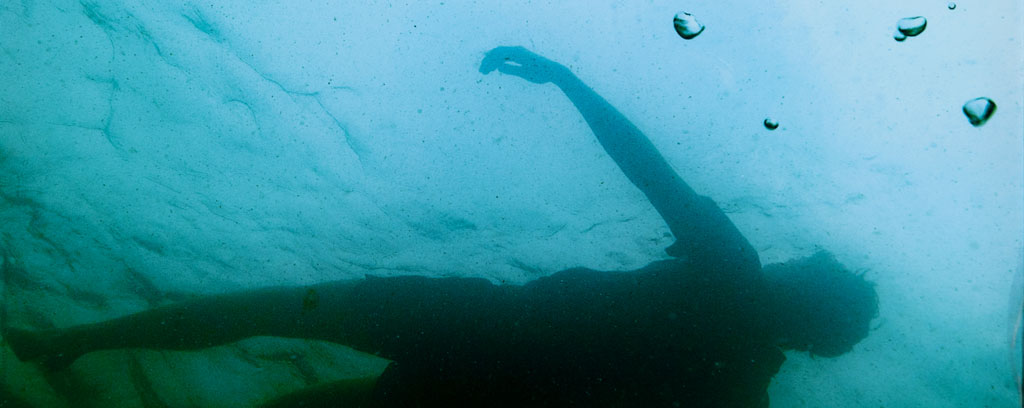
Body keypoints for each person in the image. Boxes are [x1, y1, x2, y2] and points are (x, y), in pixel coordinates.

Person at [5, 47, 879, 407]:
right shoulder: (742, 395)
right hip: (496, 395)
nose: (798, 257)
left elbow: (648, 166)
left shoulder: (733, 270)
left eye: (812, 267)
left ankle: (74, 340)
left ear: (806, 294)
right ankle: (73, 343)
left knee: (273, 310)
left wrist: (566, 79)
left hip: (482, 325)